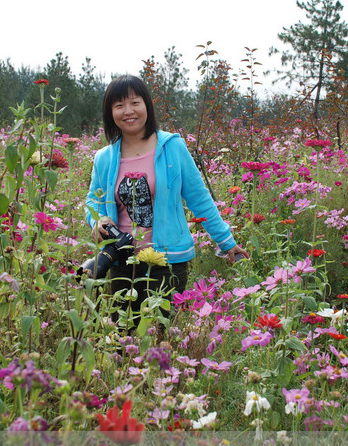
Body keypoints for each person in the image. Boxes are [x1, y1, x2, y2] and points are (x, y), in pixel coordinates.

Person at [84, 75, 249, 323]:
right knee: (124, 332)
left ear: (147, 106)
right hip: (121, 258)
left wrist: (227, 242)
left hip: (167, 261)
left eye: (134, 102)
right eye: (119, 105)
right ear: (110, 113)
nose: (128, 111)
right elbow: (93, 201)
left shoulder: (172, 147)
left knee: (162, 332)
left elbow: (199, 199)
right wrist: (95, 221)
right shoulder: (104, 157)